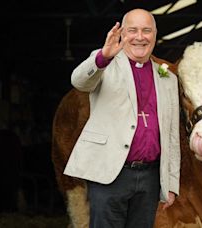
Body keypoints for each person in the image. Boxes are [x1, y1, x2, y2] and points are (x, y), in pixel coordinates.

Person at [63, 8, 180, 228]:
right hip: (110, 172)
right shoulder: (105, 64)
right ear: (122, 34)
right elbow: (79, 81)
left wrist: (171, 183)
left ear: (155, 34)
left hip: (150, 176)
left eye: (146, 31)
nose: (139, 37)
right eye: (132, 30)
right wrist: (103, 57)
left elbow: (172, 135)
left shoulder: (168, 78)